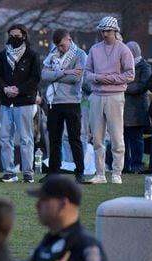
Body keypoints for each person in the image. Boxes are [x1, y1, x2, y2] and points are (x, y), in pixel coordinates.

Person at [84, 16, 134, 184]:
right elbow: (87, 72)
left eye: (108, 31)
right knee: (97, 138)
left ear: (115, 31)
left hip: (115, 96)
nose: (105, 34)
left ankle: (116, 173)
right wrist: (98, 77)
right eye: (102, 31)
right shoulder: (94, 49)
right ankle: (100, 174)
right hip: (96, 96)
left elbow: (130, 74)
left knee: (116, 136)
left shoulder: (123, 49)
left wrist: (111, 79)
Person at [0, 24, 41, 183]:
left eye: (17, 35)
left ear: (24, 36)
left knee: (26, 139)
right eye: (11, 35)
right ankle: (9, 172)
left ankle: (28, 173)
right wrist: (5, 89)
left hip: (25, 103)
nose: (13, 38)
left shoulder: (32, 55)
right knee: (5, 138)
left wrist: (19, 90)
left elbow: (35, 78)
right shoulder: (3, 55)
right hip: (6, 103)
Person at [40, 29, 87, 184]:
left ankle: (80, 171)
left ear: (69, 39)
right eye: (57, 46)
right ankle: (54, 172)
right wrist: (65, 71)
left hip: (72, 102)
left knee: (74, 138)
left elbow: (76, 78)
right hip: (54, 102)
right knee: (54, 139)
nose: (60, 49)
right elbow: (44, 75)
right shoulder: (53, 53)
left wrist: (56, 75)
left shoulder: (80, 55)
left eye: (61, 45)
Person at [123, 41, 151, 174]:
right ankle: (124, 166)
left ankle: (136, 165)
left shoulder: (144, 66)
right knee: (123, 140)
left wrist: (124, 88)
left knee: (136, 139)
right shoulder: (123, 65)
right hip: (122, 109)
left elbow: (142, 86)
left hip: (137, 109)